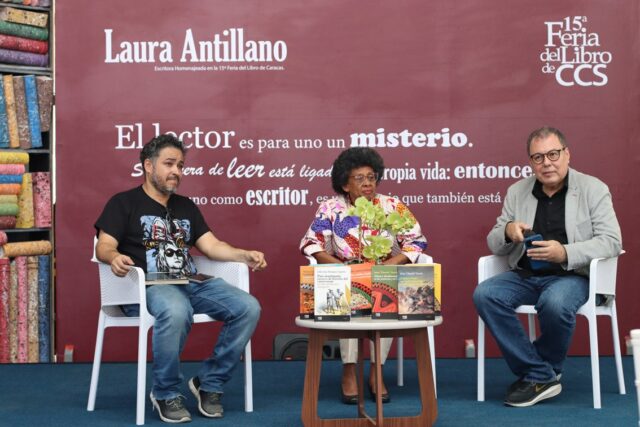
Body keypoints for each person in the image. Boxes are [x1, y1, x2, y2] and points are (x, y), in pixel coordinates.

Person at [94, 134, 267, 423]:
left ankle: (209, 383)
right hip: (145, 287)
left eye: (181, 165)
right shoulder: (123, 203)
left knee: (248, 307)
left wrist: (243, 254)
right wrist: (114, 257)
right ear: (148, 166)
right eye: (169, 164)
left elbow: (211, 246)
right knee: (176, 309)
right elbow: (104, 245)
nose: (176, 171)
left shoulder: (186, 206)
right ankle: (165, 392)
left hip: (189, 282)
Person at [473, 126, 622, 408]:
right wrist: (508, 231)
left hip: (573, 276)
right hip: (526, 275)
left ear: (567, 154)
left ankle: (538, 373)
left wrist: (564, 252)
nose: (547, 163)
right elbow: (495, 243)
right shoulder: (517, 191)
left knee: (554, 302)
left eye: (553, 154)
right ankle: (541, 374)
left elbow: (611, 242)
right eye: (538, 157)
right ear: (531, 162)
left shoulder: (593, 189)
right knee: (485, 294)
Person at [299, 147, 428, 404]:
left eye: (371, 177)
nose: (368, 183)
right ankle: (349, 369)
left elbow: (416, 241)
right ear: (345, 184)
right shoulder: (331, 208)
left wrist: (389, 265)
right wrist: (341, 269)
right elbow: (311, 244)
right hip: (345, 274)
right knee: (346, 289)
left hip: (384, 272)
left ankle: (377, 370)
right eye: (359, 178)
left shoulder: (392, 206)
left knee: (387, 288)